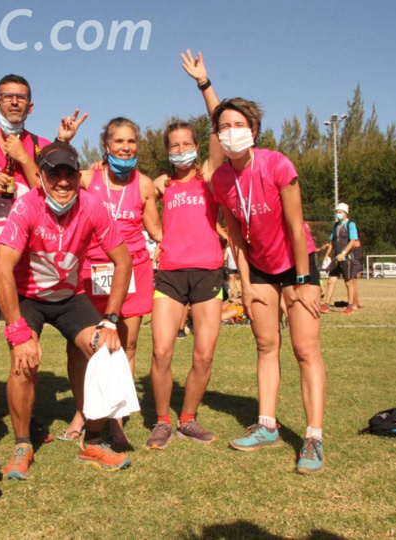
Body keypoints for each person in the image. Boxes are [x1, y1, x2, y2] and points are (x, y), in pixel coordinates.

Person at [0, 141, 133, 480]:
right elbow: (1, 270)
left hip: (71, 298)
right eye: (54, 173)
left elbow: (124, 261)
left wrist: (110, 320)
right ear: (40, 176)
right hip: (29, 298)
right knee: (23, 361)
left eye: (70, 173)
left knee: (105, 350)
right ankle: (23, 445)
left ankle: (95, 440)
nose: (63, 181)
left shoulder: (92, 205)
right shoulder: (27, 206)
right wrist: (17, 331)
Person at [210, 97, 326, 474]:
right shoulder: (221, 179)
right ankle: (267, 426)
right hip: (258, 268)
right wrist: (245, 283)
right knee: (265, 345)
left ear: (253, 130)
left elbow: (296, 226)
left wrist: (306, 281)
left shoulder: (277, 163)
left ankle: (313, 438)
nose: (231, 132)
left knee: (305, 349)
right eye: (223, 127)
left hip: (296, 264)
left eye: (238, 125)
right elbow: (237, 238)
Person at [57, 116, 161, 446]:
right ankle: (82, 412)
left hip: (132, 273)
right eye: (119, 141)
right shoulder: (87, 178)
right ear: (106, 145)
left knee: (126, 347)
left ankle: (116, 420)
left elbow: (156, 230)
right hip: (90, 272)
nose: (126, 147)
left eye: (131, 141)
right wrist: (64, 142)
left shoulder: (144, 184)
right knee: (81, 346)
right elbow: (53, 179)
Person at [146, 50, 225, 450]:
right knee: (161, 352)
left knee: (203, 356)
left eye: (186, 144)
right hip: (171, 275)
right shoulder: (162, 185)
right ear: (167, 150)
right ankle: (162, 420)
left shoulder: (210, 175)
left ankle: (188, 420)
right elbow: (138, 205)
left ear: (195, 145)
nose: (180, 150)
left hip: (209, 273)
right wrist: (158, 234)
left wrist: (204, 84)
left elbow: (219, 128)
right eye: (173, 145)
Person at [0, 74, 86, 348]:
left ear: (30, 107)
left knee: (24, 337)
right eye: (7, 97)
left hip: (28, 259)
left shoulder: (43, 147)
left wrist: (24, 159)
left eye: (20, 97)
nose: (14, 102)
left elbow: (52, 197)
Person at [321, 203, 358, 314]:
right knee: (331, 280)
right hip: (336, 257)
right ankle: (326, 305)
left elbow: (353, 241)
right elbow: (332, 242)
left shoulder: (350, 224)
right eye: (337, 212)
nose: (338, 214)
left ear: (346, 213)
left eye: (340, 212)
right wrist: (327, 255)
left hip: (347, 257)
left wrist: (344, 253)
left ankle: (350, 306)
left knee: (348, 282)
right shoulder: (335, 225)